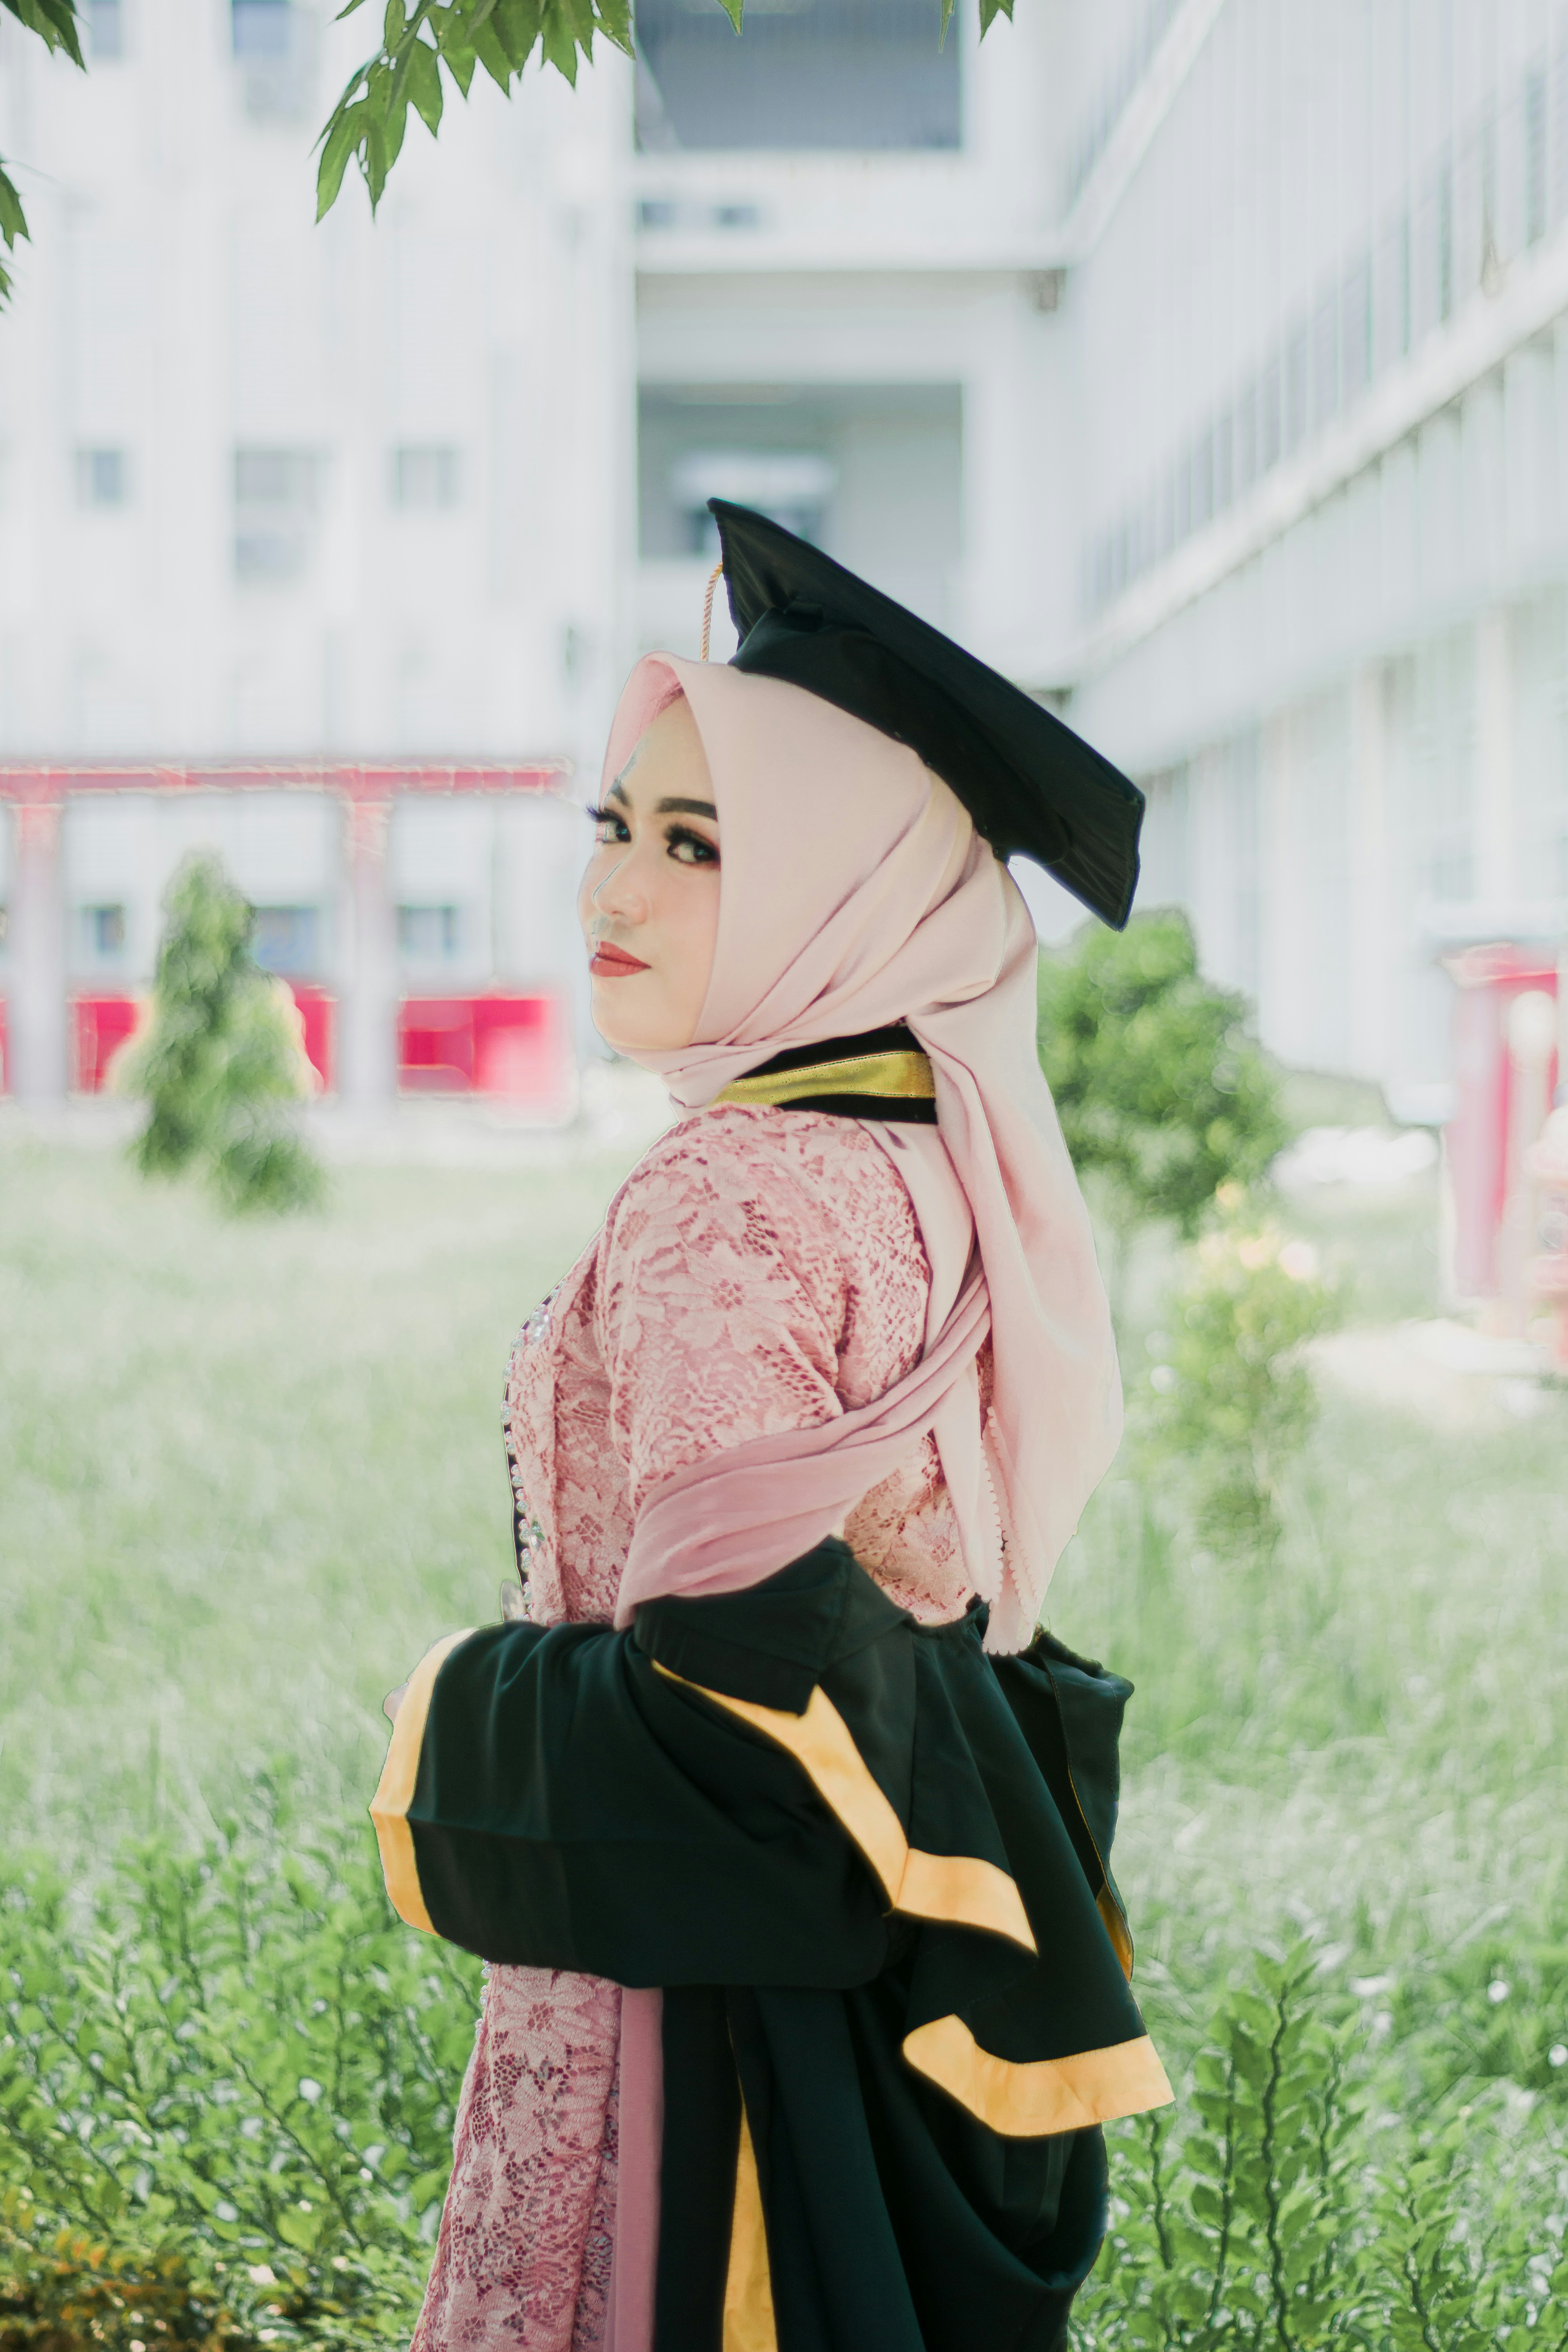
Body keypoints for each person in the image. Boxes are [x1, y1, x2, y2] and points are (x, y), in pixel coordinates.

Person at [373, 505, 1173, 2352]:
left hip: (699, 2015)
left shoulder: (723, 1193)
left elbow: (719, 1707)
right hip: (901, 1960)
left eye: (699, 845)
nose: (612, 896)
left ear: (843, 885)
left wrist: (454, 1703)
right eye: (614, 826)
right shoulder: (941, 1150)